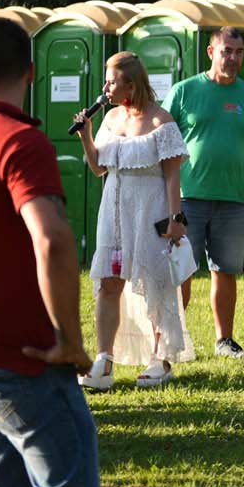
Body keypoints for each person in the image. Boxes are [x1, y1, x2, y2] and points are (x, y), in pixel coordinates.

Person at [0, 17, 107, 487]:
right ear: (31, 73)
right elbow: (54, 240)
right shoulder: (19, 139)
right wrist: (70, 338)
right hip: (24, 360)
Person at [74, 52, 195, 390]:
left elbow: (173, 178)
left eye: (112, 81)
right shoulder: (111, 118)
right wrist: (86, 136)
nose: (105, 87)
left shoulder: (162, 122)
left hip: (150, 209)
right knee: (108, 282)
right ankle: (104, 360)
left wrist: (176, 220)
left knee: (156, 283)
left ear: (131, 83)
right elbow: (99, 168)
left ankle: (161, 357)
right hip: (113, 210)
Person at [169, 27, 244, 360]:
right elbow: (162, 145)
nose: (232, 58)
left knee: (226, 270)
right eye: (226, 51)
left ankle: (225, 341)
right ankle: (174, 339)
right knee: (181, 271)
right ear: (211, 52)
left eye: (238, 52)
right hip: (187, 198)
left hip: (233, 201)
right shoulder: (184, 92)